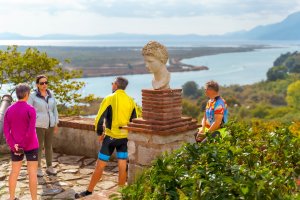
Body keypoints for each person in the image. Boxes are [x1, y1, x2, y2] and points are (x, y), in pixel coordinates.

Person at [75, 77, 137, 199]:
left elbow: (99, 118)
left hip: (110, 139)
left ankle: (89, 191)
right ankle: (122, 192)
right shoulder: (131, 101)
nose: (112, 85)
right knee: (122, 165)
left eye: (112, 83)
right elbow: (134, 120)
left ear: (116, 85)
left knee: (100, 165)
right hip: (124, 138)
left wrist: (99, 133)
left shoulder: (109, 98)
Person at [4, 83, 39, 200]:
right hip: (31, 145)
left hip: (15, 146)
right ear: (27, 94)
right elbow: (30, 131)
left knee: (14, 172)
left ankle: (12, 198)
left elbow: (6, 130)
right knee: (32, 173)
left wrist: (14, 146)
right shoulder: (31, 109)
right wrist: (22, 146)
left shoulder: (9, 109)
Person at [28, 75, 59, 177]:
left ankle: (49, 167)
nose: (44, 85)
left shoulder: (51, 94)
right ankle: (38, 168)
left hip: (50, 124)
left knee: (49, 146)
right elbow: (29, 111)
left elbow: (54, 109)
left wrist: (56, 123)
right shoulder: (32, 96)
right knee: (39, 147)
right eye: (42, 83)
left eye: (46, 82)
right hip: (38, 125)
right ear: (37, 84)